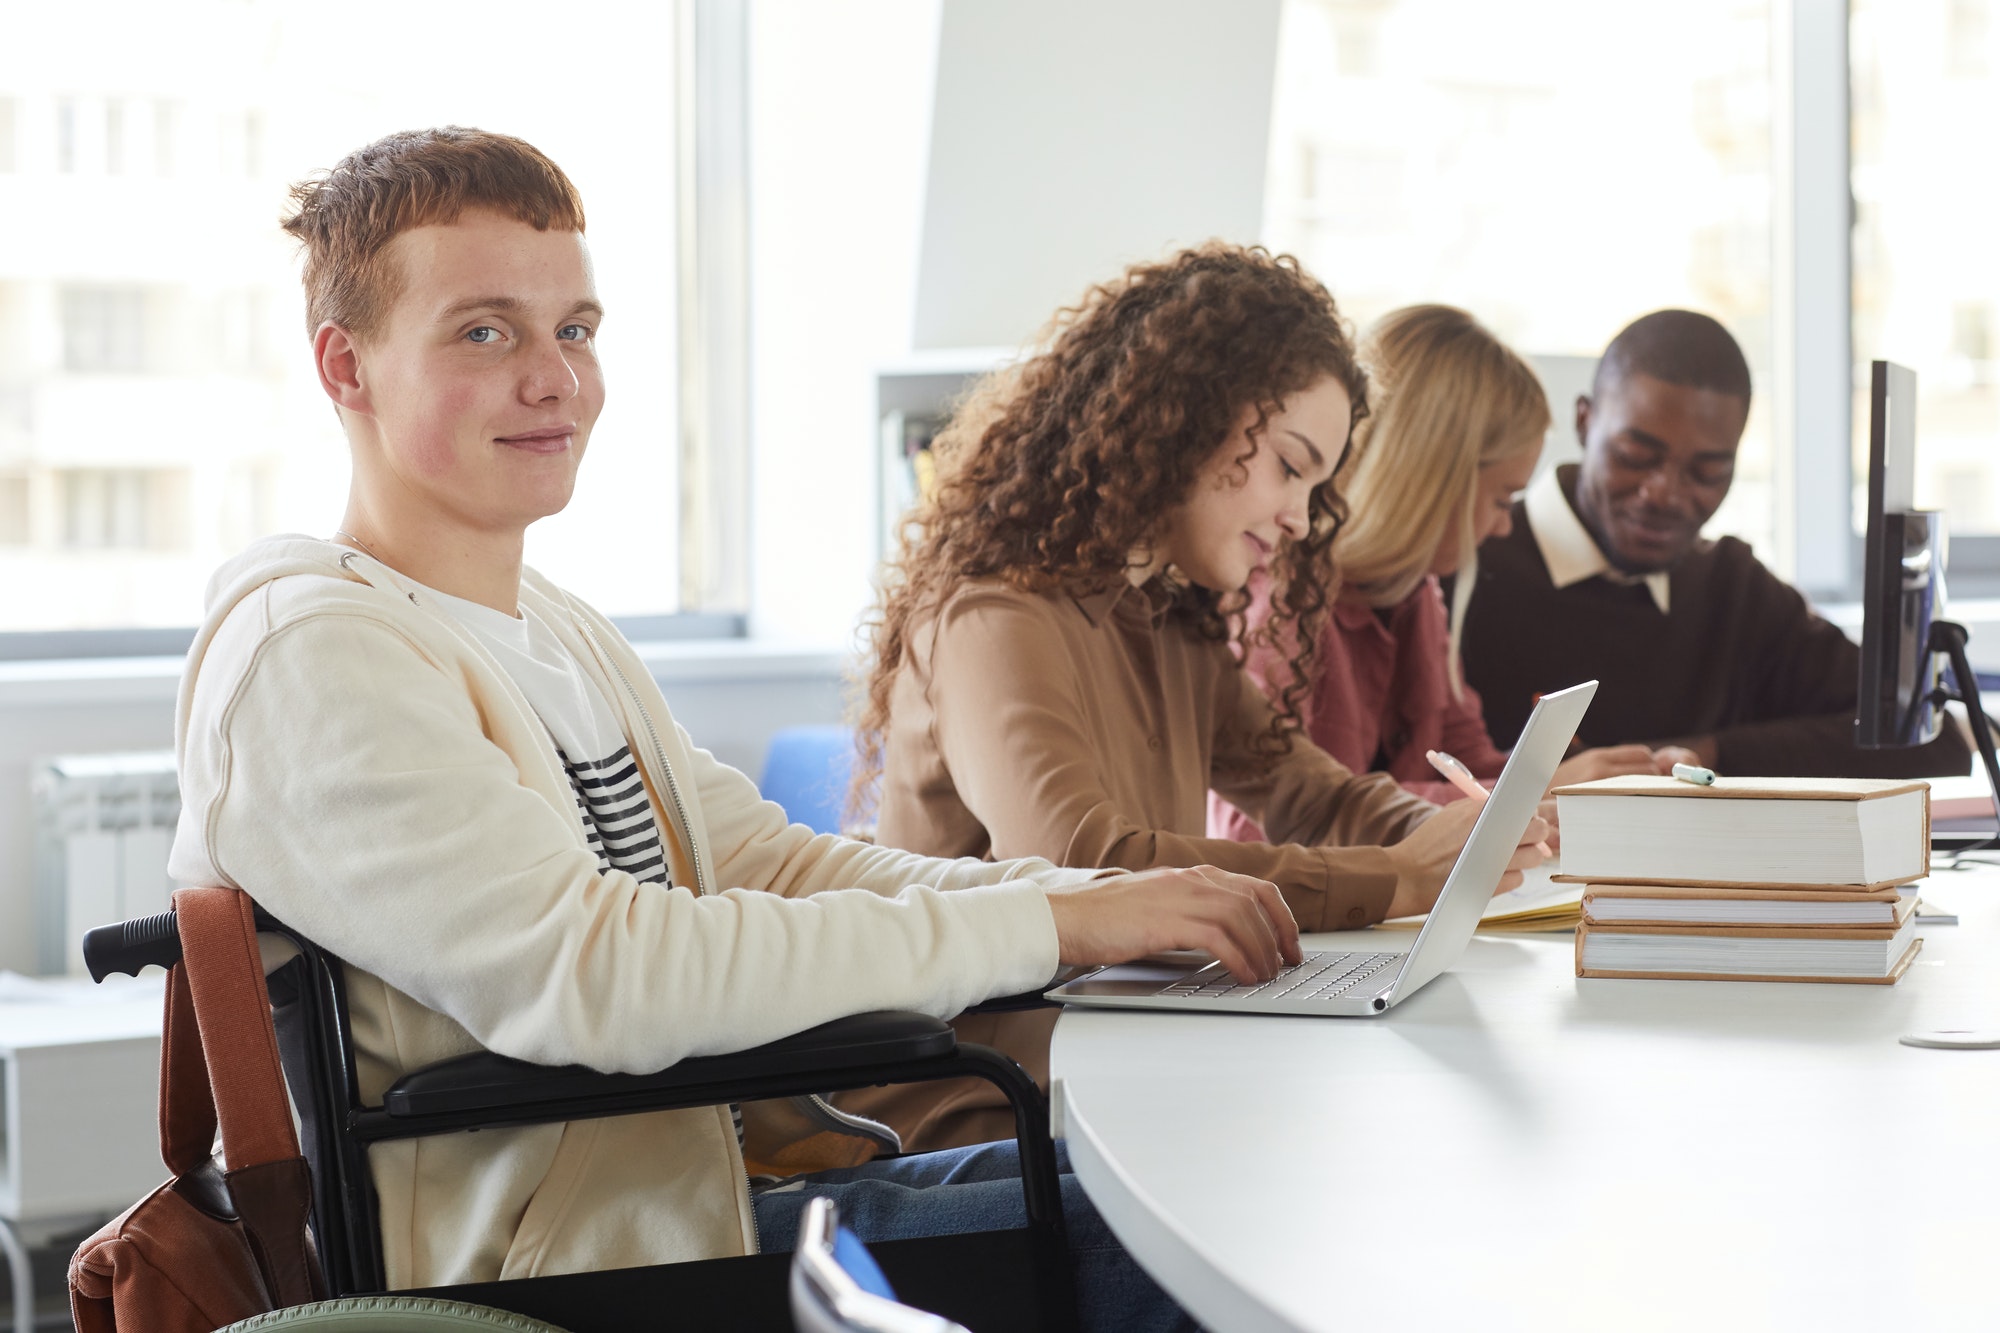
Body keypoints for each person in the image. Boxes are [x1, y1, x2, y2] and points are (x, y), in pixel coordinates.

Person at [166, 127, 1303, 1329]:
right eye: (483, 331)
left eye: (576, 329)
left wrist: (1080, 908)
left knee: (1221, 1184)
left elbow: (772, 863)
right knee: (1211, 1244)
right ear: (344, 367)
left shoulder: (548, 626)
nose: (554, 378)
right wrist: (1045, 921)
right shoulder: (314, 653)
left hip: (708, 1203)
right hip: (578, 1273)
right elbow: (598, 975)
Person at [845, 249, 1548, 1153]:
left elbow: (1314, 791)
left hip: (1120, 1059)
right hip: (985, 1111)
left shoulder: (1164, 616)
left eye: (1315, 487)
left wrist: (1454, 835)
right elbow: (1083, 859)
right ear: (1181, 425)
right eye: (1290, 468)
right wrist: (1403, 876)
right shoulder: (993, 613)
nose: (1299, 518)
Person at [1211, 305, 1685, 846]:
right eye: (1502, 500)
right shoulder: (1280, 601)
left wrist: (1580, 786)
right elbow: (1254, 834)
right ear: (1433, 484)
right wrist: (1537, 791)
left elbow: (1469, 766)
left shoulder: (1418, 598)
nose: (1506, 527)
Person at [1457, 308, 1971, 779]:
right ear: (1585, 422)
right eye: (1636, 455)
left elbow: (1927, 738)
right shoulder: (1464, 562)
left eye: (1706, 472)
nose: (1664, 493)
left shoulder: (1733, 587)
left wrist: (1707, 753)